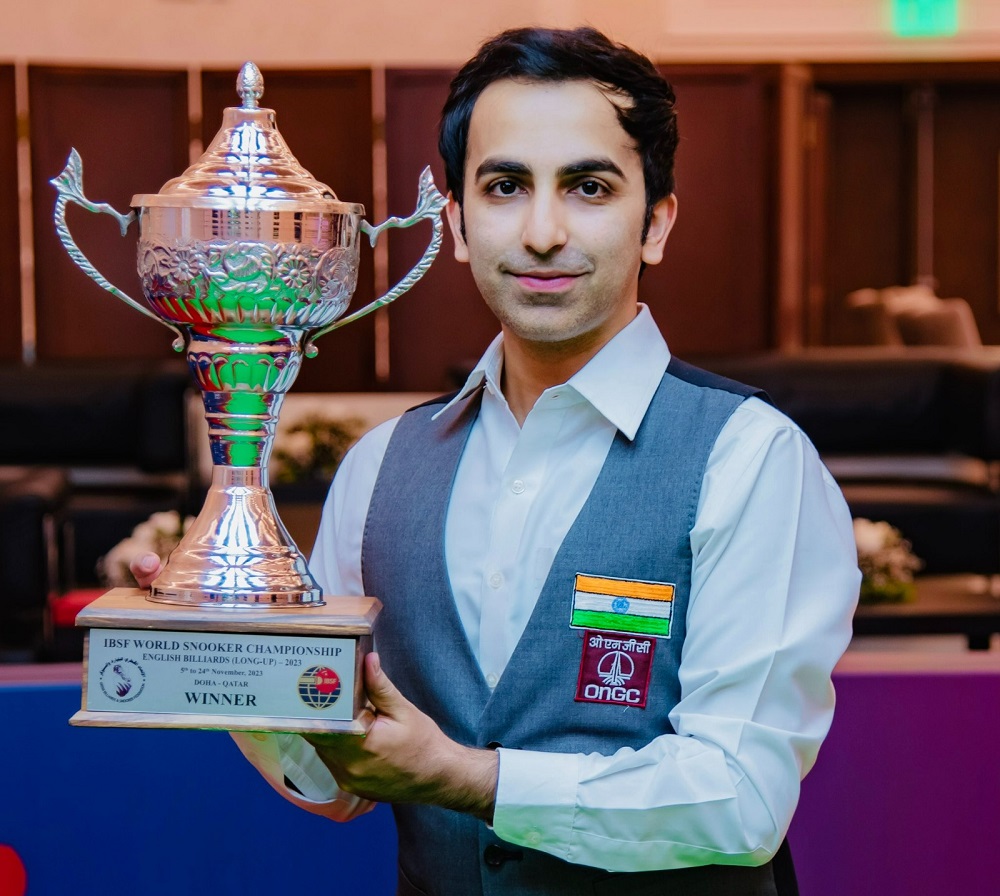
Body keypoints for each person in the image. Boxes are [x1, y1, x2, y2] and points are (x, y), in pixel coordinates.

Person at [134, 26, 859, 896]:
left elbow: (739, 800)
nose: (544, 231)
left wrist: (468, 777)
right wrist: (230, 646)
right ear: (459, 225)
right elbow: (330, 779)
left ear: (656, 222)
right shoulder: (379, 468)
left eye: (589, 187)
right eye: (506, 186)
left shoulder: (750, 459)